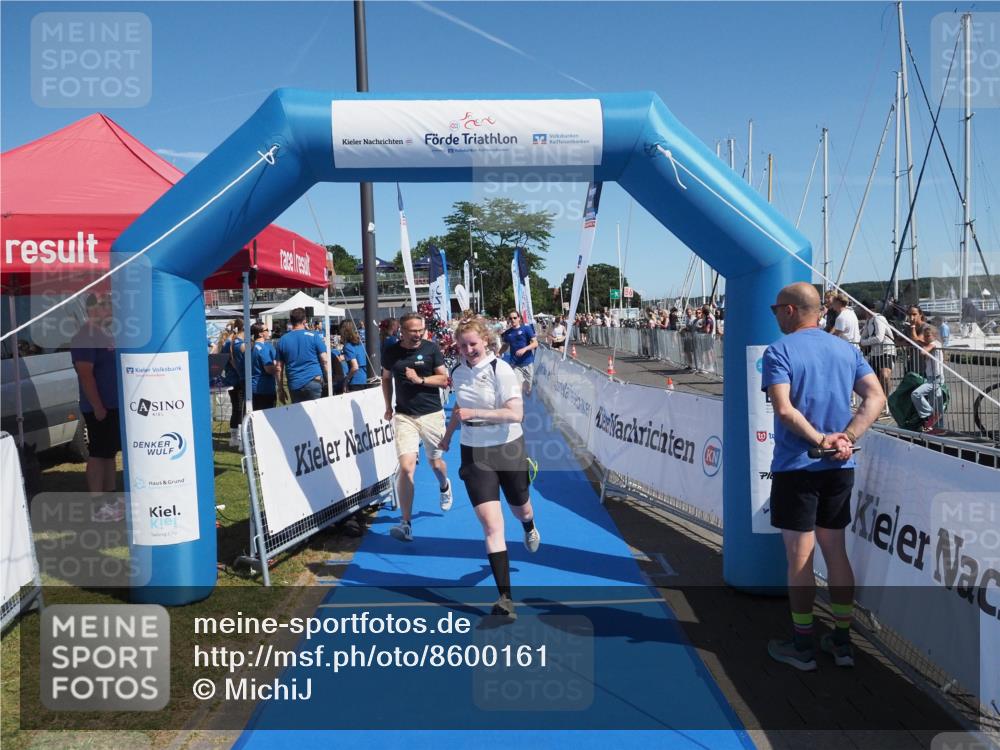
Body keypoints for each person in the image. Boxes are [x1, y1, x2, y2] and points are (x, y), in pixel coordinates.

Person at [762, 282, 885, 671]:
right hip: (838, 467)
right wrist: (846, 438)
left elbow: (783, 410)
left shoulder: (779, 350)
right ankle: (842, 642)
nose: (775, 315)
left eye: (776, 309)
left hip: (800, 466)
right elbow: (876, 397)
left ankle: (802, 646)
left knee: (800, 557)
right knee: (836, 552)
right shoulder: (846, 350)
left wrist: (821, 441)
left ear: (791, 310)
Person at [440, 318, 540, 620]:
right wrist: (447, 436)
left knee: (521, 509)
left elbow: (516, 414)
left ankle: (529, 526)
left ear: (486, 342)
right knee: (491, 525)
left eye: (473, 344)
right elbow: (460, 409)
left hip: (508, 448)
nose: (469, 349)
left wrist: (476, 413)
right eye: (463, 345)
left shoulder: (502, 370)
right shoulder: (457, 373)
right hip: (474, 452)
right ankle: (505, 599)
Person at [381, 312, 453, 541]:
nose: (418, 334)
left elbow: (444, 380)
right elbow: (385, 378)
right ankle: (406, 523)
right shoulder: (391, 351)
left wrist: (420, 380)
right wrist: (388, 406)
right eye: (413, 331)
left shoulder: (431, 349)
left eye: (421, 330)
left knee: (435, 463)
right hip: (404, 415)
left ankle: (444, 485)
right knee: (406, 467)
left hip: (431, 414)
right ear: (401, 331)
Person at [70, 294, 124, 521]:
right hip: (99, 407)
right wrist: (97, 405)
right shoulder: (85, 336)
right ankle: (97, 504)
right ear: (92, 308)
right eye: (105, 305)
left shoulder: (106, 334)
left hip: (113, 405)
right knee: (98, 454)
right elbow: (85, 374)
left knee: (109, 453)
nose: (110, 309)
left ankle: (110, 499)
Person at [274, 307, 330, 403]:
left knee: (299, 416)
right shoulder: (314, 336)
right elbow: (324, 360)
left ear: (291, 321)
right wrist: (329, 380)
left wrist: (280, 389)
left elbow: (278, 368)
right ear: (305, 320)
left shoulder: (283, 340)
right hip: (314, 380)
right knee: (317, 415)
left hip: (295, 383)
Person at [858, 301, 896, 407]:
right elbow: (863, 336)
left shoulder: (879, 318)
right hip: (875, 353)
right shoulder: (868, 321)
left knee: (885, 375)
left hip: (886, 350)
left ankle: (886, 401)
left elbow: (879, 337)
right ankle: (878, 401)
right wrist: (863, 340)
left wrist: (864, 343)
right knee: (872, 378)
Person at [910, 322, 945, 433]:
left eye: (928, 335)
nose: (926, 338)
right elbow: (915, 339)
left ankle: (931, 415)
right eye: (925, 336)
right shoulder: (932, 344)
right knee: (937, 402)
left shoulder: (935, 344)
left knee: (916, 394)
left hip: (935, 378)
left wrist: (924, 345)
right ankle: (939, 428)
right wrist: (913, 327)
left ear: (934, 335)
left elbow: (923, 352)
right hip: (933, 377)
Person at [499, 311, 539, 396]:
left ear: (519, 318)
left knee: (528, 389)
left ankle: (528, 401)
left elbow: (535, 343)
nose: (513, 320)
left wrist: (525, 349)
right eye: (510, 318)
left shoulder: (526, 329)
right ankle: (519, 406)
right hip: (515, 364)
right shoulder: (507, 333)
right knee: (517, 388)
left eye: (515, 318)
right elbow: (505, 346)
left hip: (527, 363)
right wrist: (498, 353)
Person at [223, 319, 246, 448]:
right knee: (241, 409)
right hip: (237, 379)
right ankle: (239, 439)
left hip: (232, 379)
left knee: (237, 409)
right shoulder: (235, 343)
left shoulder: (227, 343)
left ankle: (235, 439)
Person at [248, 323, 277, 411]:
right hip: (264, 388)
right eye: (267, 330)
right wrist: (277, 367)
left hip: (254, 387)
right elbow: (269, 369)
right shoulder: (262, 348)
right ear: (260, 334)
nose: (269, 332)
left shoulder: (251, 347)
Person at [340, 321, 370, 392]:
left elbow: (355, 367)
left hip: (356, 381)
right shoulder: (362, 344)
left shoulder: (348, 346)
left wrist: (346, 381)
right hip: (367, 379)